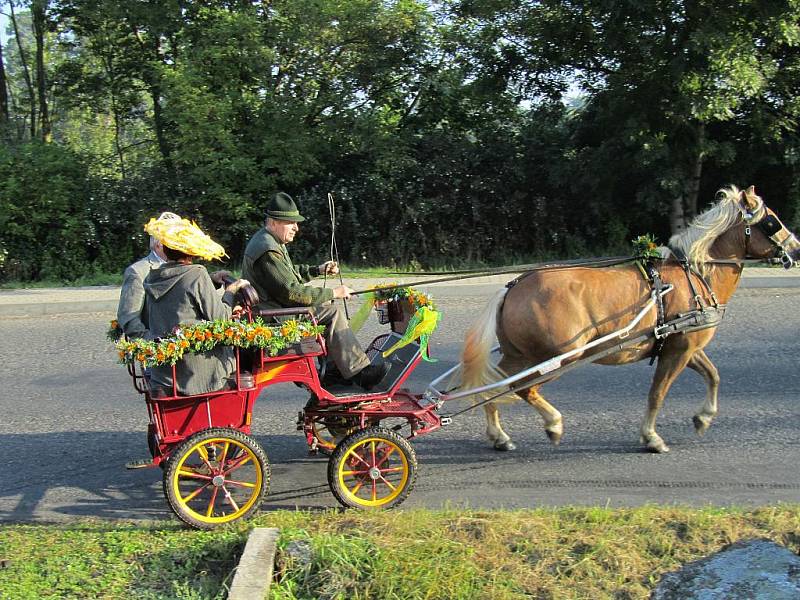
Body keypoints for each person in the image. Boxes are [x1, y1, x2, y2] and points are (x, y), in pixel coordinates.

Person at [242, 192, 390, 390]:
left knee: (325, 305)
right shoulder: (268, 250)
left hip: (271, 311)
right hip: (274, 319)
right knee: (332, 311)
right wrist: (334, 293)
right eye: (291, 222)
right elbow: (292, 292)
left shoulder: (268, 240)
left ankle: (333, 370)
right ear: (275, 222)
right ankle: (359, 372)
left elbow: (290, 274)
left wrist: (318, 270)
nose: (296, 227)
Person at [143, 215, 250, 396]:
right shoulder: (197, 274)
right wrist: (231, 291)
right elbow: (221, 318)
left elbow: (181, 295)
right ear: (191, 251)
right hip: (197, 372)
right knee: (245, 358)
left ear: (166, 249)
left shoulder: (153, 277)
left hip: (164, 372)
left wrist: (212, 281)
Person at [116, 212, 180, 338]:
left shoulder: (182, 265)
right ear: (159, 243)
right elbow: (129, 319)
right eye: (176, 240)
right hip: (157, 350)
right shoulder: (138, 272)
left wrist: (213, 280)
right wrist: (154, 342)